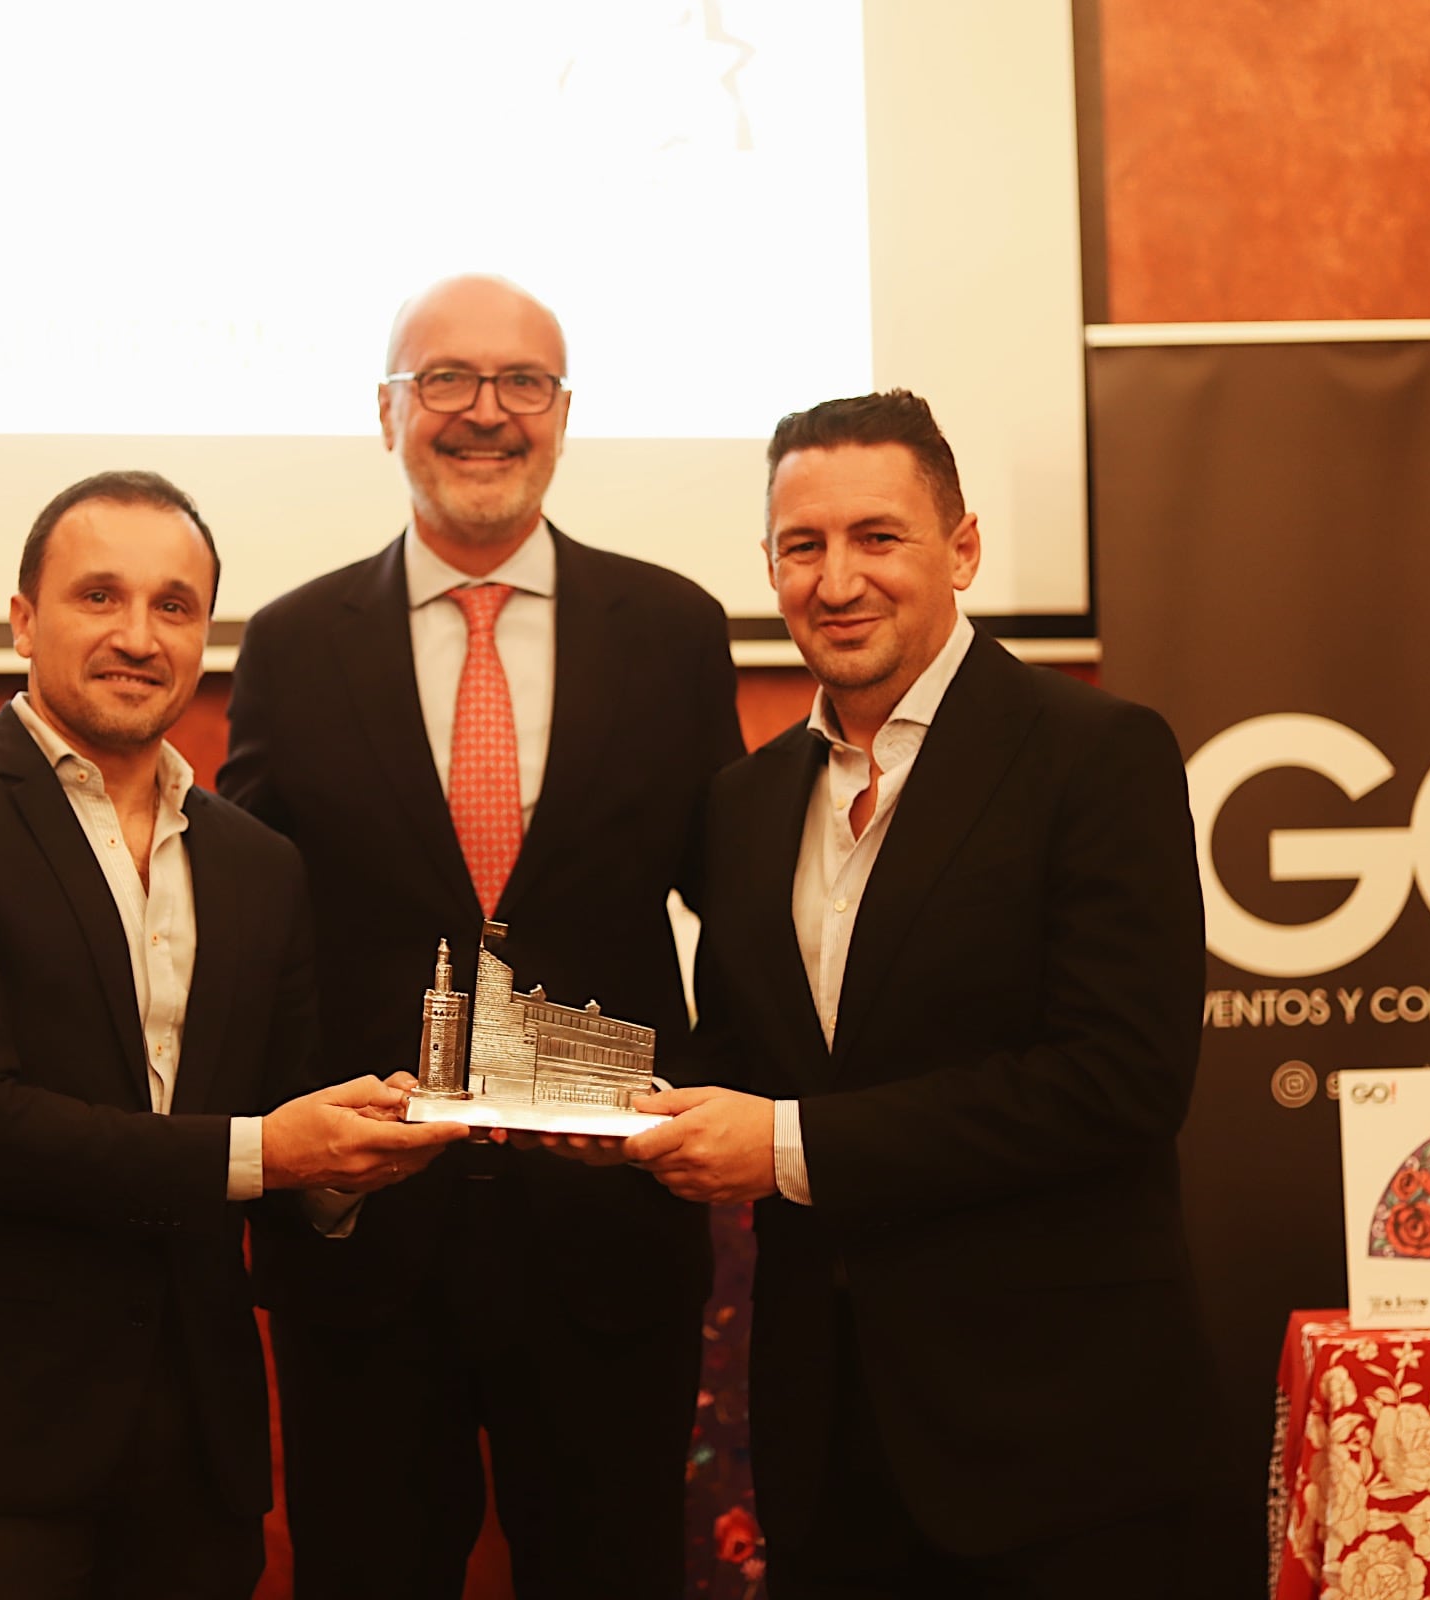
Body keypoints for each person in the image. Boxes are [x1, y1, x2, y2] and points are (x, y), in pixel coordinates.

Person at [0, 470, 468, 1600]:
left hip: (196, 1445)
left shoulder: (258, 863)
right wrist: (276, 1150)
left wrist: (350, 1163)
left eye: (175, 606)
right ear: (24, 619)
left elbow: (282, 1112)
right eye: (98, 596)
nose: (138, 635)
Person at [622, 391, 1230, 1598]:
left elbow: (1122, 1081)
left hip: (1062, 1450)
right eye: (804, 546)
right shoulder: (745, 806)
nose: (837, 579)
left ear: (962, 547)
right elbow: (745, 1058)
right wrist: (627, 1119)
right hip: (827, 1442)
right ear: (769, 566)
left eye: (878, 537)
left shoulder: (1098, 754)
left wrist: (783, 1143)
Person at [218, 275, 745, 1599]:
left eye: (523, 384)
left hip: (610, 1241)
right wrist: (294, 1166)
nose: (484, 414)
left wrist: (727, 1116)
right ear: (386, 411)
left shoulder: (675, 630)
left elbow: (734, 909)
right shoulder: (290, 643)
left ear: (563, 416)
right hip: (368, 1250)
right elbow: (253, 936)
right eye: (445, 380)